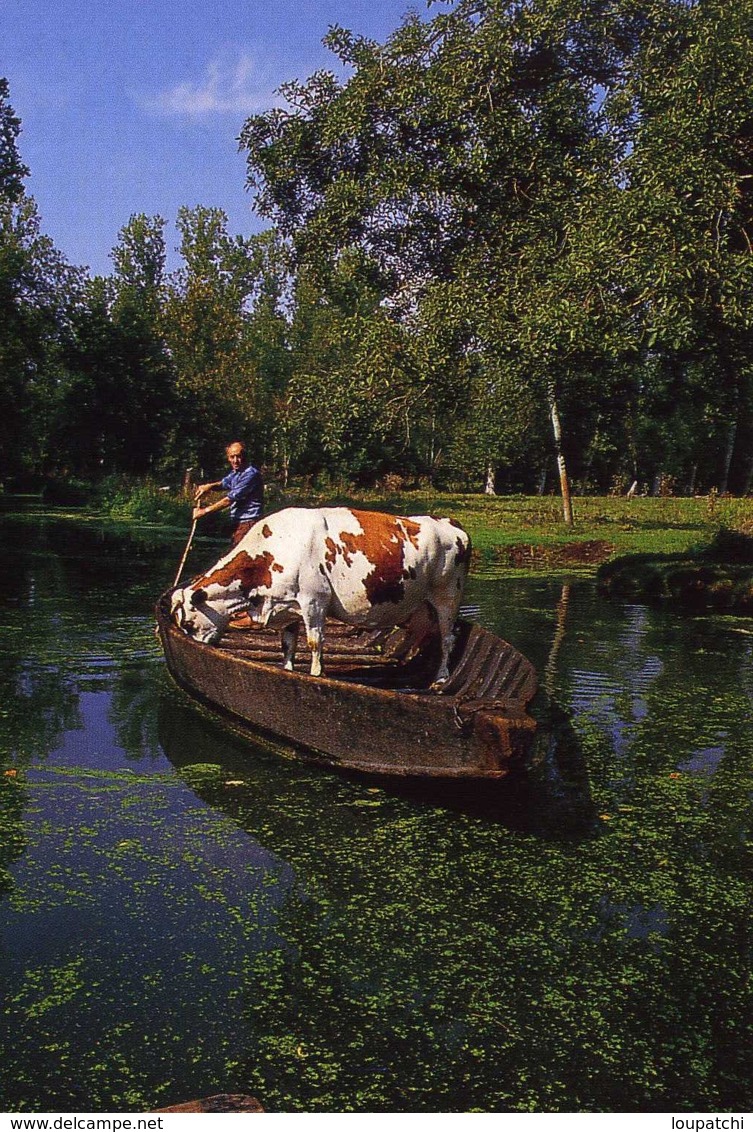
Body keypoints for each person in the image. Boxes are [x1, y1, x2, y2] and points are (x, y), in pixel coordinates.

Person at [193, 441, 264, 546]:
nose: (235, 461)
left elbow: (229, 500)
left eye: (238, 456)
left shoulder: (250, 474)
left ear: (244, 456)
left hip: (248, 522)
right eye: (232, 457)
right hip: (237, 522)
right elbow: (223, 484)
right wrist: (209, 486)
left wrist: (204, 511)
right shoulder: (236, 473)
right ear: (228, 458)